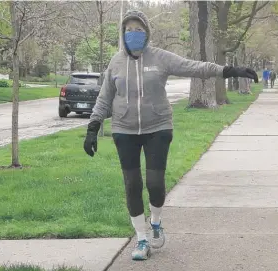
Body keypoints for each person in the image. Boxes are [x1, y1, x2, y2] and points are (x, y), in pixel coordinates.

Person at [83, 10, 258, 261]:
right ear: (123, 33)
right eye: (129, 30)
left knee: (154, 184)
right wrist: (92, 127)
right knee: (132, 185)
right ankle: (142, 240)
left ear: (147, 33)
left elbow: (194, 67)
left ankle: (155, 221)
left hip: (158, 128)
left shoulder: (160, 58)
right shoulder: (116, 63)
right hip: (124, 130)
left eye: (139, 30)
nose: (134, 34)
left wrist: (229, 71)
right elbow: (104, 97)